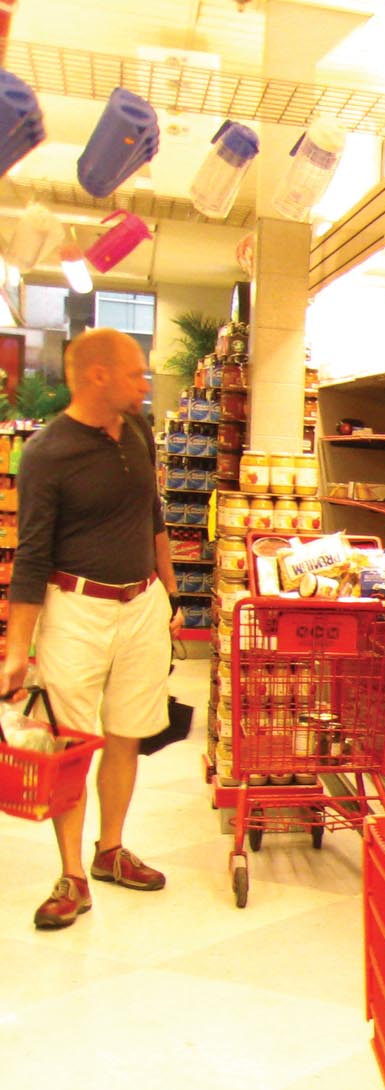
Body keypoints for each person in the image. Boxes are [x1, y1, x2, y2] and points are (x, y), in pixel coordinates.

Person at [1, 328, 176, 930]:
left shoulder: (140, 430)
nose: (144, 383)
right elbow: (30, 555)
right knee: (72, 744)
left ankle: (111, 851)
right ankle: (71, 875)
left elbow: (152, 510)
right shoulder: (47, 453)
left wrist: (170, 592)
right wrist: (16, 652)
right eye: (136, 373)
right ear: (98, 375)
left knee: (126, 734)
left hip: (142, 605)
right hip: (75, 610)